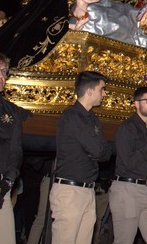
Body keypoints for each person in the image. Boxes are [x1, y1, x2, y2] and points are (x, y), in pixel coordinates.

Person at [50, 71, 112, 244]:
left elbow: (105, 153)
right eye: (102, 89)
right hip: (70, 192)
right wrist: (98, 151)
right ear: (90, 91)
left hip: (88, 190)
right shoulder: (72, 116)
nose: (104, 94)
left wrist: (97, 150)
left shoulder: (92, 118)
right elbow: (99, 151)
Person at [108, 86, 147, 244]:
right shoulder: (127, 128)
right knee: (124, 240)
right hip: (128, 190)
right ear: (136, 104)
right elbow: (129, 162)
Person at [0, 53, 23, 244]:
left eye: (3, 71)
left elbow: (15, 151)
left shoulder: (11, 111)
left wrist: (6, 183)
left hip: (0, 189)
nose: (0, 75)